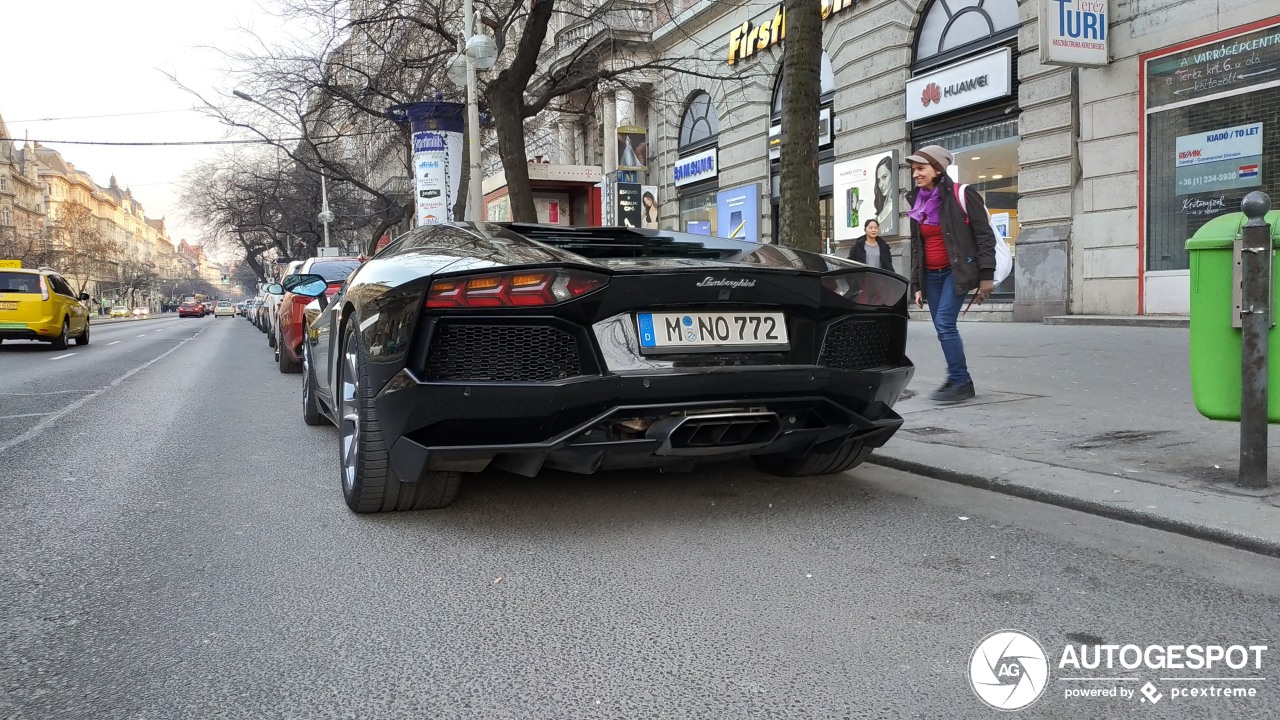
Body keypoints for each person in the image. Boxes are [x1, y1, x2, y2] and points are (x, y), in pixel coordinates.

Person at [906, 144, 997, 403]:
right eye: (913, 170)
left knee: (945, 324)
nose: (915, 174)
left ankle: (960, 380)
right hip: (931, 275)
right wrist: (917, 283)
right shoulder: (916, 202)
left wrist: (986, 276)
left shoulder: (963, 195)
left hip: (954, 272)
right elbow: (917, 246)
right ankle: (957, 376)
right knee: (941, 327)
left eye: (920, 169)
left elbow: (984, 236)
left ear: (937, 169)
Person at [874, 155, 895, 231]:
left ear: (893, 174)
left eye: (884, 177)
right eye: (878, 180)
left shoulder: (895, 205)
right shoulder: (882, 204)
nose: (881, 185)